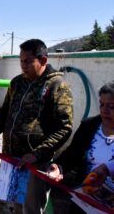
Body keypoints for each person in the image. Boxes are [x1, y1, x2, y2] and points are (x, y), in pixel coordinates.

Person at [0, 39, 73, 214]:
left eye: (28, 61)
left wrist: (36, 155)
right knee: (14, 206)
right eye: (21, 61)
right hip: (12, 159)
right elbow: (5, 111)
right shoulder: (16, 83)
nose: (23, 65)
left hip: (34, 164)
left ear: (43, 60)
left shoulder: (57, 85)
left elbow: (64, 127)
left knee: (31, 209)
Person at [47, 81, 114, 213]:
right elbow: (72, 154)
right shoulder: (89, 126)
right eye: (101, 105)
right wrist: (58, 168)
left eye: (111, 106)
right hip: (85, 200)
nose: (104, 110)